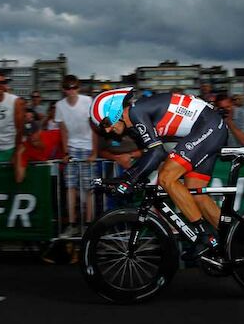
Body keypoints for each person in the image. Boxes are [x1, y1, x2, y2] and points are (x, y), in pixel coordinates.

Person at [90, 87, 228, 260]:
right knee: (196, 193)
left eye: (105, 123)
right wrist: (127, 179)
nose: (107, 131)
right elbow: (148, 155)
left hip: (208, 126)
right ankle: (232, 238)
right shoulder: (135, 121)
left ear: (114, 110)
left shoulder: (136, 113)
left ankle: (204, 236)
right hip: (210, 128)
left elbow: (157, 153)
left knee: (166, 177)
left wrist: (128, 180)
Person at [56, 75, 98, 238]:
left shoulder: (87, 101)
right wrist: (65, 152)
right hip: (72, 147)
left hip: (88, 146)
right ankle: (72, 224)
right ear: (63, 90)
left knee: (89, 189)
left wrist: (94, 152)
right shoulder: (60, 105)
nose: (71, 91)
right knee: (70, 187)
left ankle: (88, 225)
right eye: (68, 88)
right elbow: (63, 130)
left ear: (78, 88)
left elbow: (94, 128)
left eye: (74, 87)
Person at [15, 108, 62, 183]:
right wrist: (18, 154)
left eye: (33, 133)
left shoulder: (51, 135)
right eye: (28, 134)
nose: (31, 137)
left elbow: (67, 136)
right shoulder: (25, 148)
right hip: (45, 178)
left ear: (39, 131)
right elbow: (19, 179)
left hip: (61, 172)